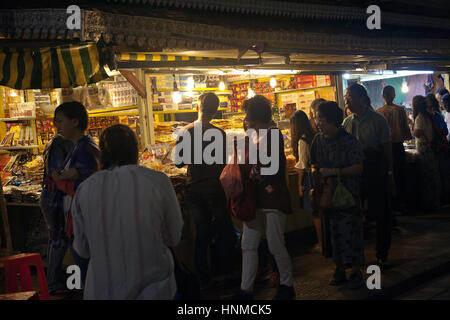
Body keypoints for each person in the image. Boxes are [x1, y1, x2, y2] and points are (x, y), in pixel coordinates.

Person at [71, 125, 183, 299]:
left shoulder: (85, 190)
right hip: (155, 290)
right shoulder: (158, 181)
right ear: (136, 151)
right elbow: (174, 236)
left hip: (102, 290)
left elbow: (82, 249)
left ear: (102, 155)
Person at [230, 95, 295, 300]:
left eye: (247, 115)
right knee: (248, 244)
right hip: (255, 199)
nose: (245, 119)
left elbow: (269, 167)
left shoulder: (273, 135)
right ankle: (245, 289)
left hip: (272, 198)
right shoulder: (253, 136)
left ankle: (287, 285)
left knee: (275, 243)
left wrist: (254, 172)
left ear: (255, 116)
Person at [175, 92, 236, 290]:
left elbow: (178, 162)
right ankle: (224, 273)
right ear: (216, 111)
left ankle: (203, 279)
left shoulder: (185, 131)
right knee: (222, 231)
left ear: (197, 107)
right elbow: (226, 160)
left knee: (201, 234)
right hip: (214, 188)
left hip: (194, 189)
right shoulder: (219, 133)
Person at [310, 101, 365, 289]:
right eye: (317, 119)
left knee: (351, 231)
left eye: (322, 120)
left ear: (334, 121)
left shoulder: (349, 141)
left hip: (348, 194)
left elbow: (358, 167)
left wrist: (333, 172)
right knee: (332, 233)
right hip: (327, 194)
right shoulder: (318, 140)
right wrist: (316, 172)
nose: (318, 123)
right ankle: (339, 268)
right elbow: (314, 162)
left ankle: (356, 269)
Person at [343, 83, 393, 269]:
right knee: (354, 213)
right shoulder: (347, 122)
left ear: (363, 99)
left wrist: (389, 172)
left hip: (375, 169)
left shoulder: (378, 120)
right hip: (354, 172)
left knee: (382, 213)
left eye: (351, 96)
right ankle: (356, 254)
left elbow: (387, 149)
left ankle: (382, 253)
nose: (347, 100)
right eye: (347, 96)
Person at [50, 101, 100, 287]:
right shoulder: (78, 147)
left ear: (75, 122)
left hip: (81, 219)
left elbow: (84, 185)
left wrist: (60, 181)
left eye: (60, 121)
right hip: (74, 219)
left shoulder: (85, 149)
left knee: (85, 264)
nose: (57, 126)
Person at [40, 134, 73, 293]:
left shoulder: (56, 141)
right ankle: (52, 284)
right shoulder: (60, 142)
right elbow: (57, 172)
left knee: (58, 240)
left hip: (53, 195)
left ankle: (56, 280)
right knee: (60, 240)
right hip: (55, 196)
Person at [377, 86, 412, 213]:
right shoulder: (400, 110)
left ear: (382, 96)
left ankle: (391, 205)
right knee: (400, 176)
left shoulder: (378, 112)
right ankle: (401, 204)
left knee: (388, 176)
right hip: (397, 147)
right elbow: (407, 133)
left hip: (384, 149)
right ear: (394, 95)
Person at [290, 110, 321, 251]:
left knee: (316, 212)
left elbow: (302, 165)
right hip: (319, 175)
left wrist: (299, 185)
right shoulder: (314, 135)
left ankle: (321, 243)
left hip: (309, 177)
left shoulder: (302, 140)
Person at [412, 95, 441, 211]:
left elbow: (418, 133)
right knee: (432, 176)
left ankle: (429, 204)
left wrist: (410, 129)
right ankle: (435, 201)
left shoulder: (419, 117)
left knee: (426, 177)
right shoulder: (428, 116)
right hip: (429, 148)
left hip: (424, 149)